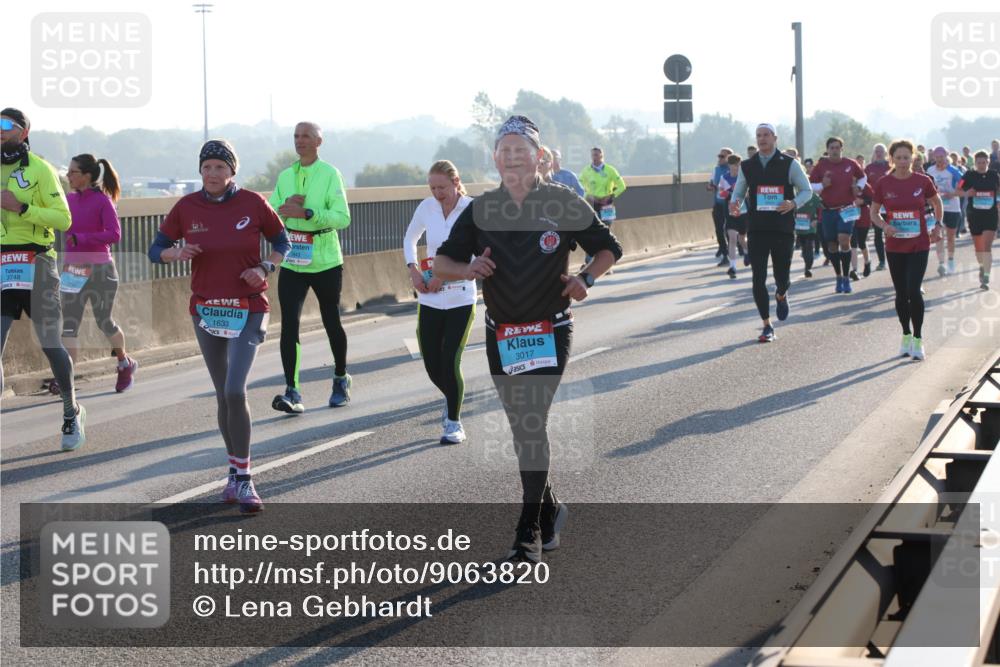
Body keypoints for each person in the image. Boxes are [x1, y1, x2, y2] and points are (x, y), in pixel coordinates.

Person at [433, 116, 622, 562]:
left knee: (531, 420)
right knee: (522, 427)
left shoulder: (562, 200)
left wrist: (586, 279)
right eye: (505, 150)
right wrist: (467, 270)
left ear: (539, 156)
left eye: (522, 149)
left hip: (550, 329)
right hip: (502, 333)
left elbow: (609, 247)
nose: (514, 157)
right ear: (496, 159)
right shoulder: (479, 210)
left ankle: (528, 529)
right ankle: (550, 508)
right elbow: (441, 262)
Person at [148, 139, 290, 512]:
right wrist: (174, 252)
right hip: (207, 310)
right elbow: (155, 250)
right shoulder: (186, 207)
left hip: (249, 306)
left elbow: (282, 241)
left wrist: (264, 267)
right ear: (200, 171)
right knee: (222, 394)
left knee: (234, 390)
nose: (212, 174)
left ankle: (244, 480)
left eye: (220, 167)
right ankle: (234, 471)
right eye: (207, 167)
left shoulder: (253, 204)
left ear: (232, 172)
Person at [0, 107, 85, 451]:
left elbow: (63, 219)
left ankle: (71, 410)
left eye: (6, 125)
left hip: (37, 261)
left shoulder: (40, 170)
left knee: (50, 343)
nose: (0, 131)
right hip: (3, 263)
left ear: (23, 131)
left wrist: (22, 208)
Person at [268, 122, 352, 415]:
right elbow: (271, 212)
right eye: (296, 136)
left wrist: (308, 213)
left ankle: (341, 378)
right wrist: (284, 208)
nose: (299, 141)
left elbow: (342, 218)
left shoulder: (330, 174)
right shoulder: (285, 176)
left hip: (325, 258)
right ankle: (292, 390)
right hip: (293, 257)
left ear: (319, 141)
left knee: (332, 321)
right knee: (289, 324)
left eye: (305, 136)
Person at [403, 161, 476, 444]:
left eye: (442, 187)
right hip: (430, 298)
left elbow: (477, 251)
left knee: (450, 360)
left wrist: (443, 277)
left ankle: (454, 422)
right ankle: (452, 398)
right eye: (432, 188)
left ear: (456, 182)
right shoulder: (426, 207)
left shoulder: (472, 209)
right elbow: (410, 238)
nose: (437, 193)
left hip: (460, 296)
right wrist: (413, 269)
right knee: (432, 363)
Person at [61, 154, 138, 393]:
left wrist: (82, 238)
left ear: (86, 176)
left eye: (73, 172)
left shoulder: (103, 201)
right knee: (69, 325)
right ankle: (67, 378)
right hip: (73, 269)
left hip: (101, 269)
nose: (68, 176)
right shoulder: (68, 200)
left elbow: (114, 235)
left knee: (104, 322)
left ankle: (124, 362)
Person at [729, 123, 813, 342]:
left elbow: (807, 190)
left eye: (766, 135)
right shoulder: (748, 165)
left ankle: (782, 294)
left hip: (782, 229)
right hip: (757, 228)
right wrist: (735, 203)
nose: (762, 139)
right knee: (758, 278)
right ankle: (767, 325)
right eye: (759, 135)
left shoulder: (789, 164)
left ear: (775, 138)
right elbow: (738, 191)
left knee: (782, 277)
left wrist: (793, 203)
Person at [870, 139, 943, 361]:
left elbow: (937, 203)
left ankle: (919, 340)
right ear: (892, 159)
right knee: (901, 293)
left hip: (919, 243)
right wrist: (884, 226)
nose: (902, 162)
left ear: (912, 158)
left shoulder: (923, 181)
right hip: (895, 245)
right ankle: (906, 335)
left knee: (914, 290)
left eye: (906, 157)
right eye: (898, 158)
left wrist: (938, 225)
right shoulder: (883, 183)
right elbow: (874, 213)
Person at [809, 136, 867, 294]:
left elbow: (863, 177)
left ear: (842, 149)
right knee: (832, 245)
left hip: (846, 209)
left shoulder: (850, 163)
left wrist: (858, 188)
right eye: (831, 148)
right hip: (828, 211)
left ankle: (847, 277)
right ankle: (839, 276)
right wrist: (822, 185)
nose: (834, 150)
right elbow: (810, 185)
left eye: (837, 147)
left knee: (844, 240)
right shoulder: (821, 165)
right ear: (827, 150)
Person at [957, 150, 999, 290]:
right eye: (979, 162)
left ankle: (986, 275)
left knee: (987, 246)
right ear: (975, 163)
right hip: (974, 215)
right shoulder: (969, 175)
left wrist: (998, 201)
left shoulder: (994, 175)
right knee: (978, 248)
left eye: (984, 162)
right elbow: (958, 190)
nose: (981, 165)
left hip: (991, 214)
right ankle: (982, 266)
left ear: (988, 162)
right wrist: (966, 193)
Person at [578, 146, 626, 266]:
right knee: (590, 231)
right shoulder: (586, 171)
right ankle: (589, 261)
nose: (595, 158)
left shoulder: (610, 170)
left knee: (605, 231)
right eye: (593, 155)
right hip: (591, 204)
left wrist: (611, 196)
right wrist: (588, 195)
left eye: (597, 155)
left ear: (602, 156)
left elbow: (622, 186)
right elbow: (580, 187)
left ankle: (607, 261)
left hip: (607, 205)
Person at [926, 146, 964, 275]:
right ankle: (941, 263)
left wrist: (953, 193)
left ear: (946, 157)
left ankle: (951, 260)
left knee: (951, 237)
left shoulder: (953, 170)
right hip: (937, 207)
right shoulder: (930, 170)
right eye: (937, 157)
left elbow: (964, 182)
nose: (939, 159)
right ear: (934, 157)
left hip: (952, 207)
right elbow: (926, 186)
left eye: (942, 157)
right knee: (939, 236)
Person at [719, 154, 748, 278]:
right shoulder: (724, 178)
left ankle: (747, 252)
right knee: (732, 238)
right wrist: (727, 192)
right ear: (729, 165)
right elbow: (720, 194)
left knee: (742, 239)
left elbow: (748, 194)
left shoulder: (744, 177)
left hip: (743, 212)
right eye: (735, 165)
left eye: (738, 165)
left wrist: (740, 191)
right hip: (731, 212)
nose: (737, 167)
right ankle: (732, 267)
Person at [866, 143, 892, 271]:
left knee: (890, 233)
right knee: (877, 234)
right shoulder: (869, 168)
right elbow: (864, 185)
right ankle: (882, 261)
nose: (879, 153)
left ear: (885, 153)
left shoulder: (891, 166)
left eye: (881, 151)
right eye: (877, 151)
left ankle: (892, 257)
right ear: (874, 153)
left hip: (891, 204)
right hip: (876, 205)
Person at [708, 147, 734, 263]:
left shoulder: (735, 169)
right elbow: (710, 184)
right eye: (719, 156)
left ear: (729, 158)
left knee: (732, 230)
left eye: (722, 156)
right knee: (719, 229)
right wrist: (710, 187)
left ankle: (740, 248)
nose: (719, 158)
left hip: (732, 204)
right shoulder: (716, 170)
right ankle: (725, 253)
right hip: (718, 203)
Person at [850, 182, 875, 279]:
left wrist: (863, 201)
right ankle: (854, 270)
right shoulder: (844, 183)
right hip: (850, 216)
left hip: (863, 217)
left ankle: (867, 262)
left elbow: (873, 199)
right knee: (853, 242)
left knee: (861, 242)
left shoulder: (864, 185)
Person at [795, 191, 823, 278]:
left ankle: (808, 269)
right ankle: (807, 265)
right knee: (804, 249)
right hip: (799, 226)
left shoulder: (813, 195)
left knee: (809, 246)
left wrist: (817, 219)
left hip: (810, 226)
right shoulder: (794, 194)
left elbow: (821, 208)